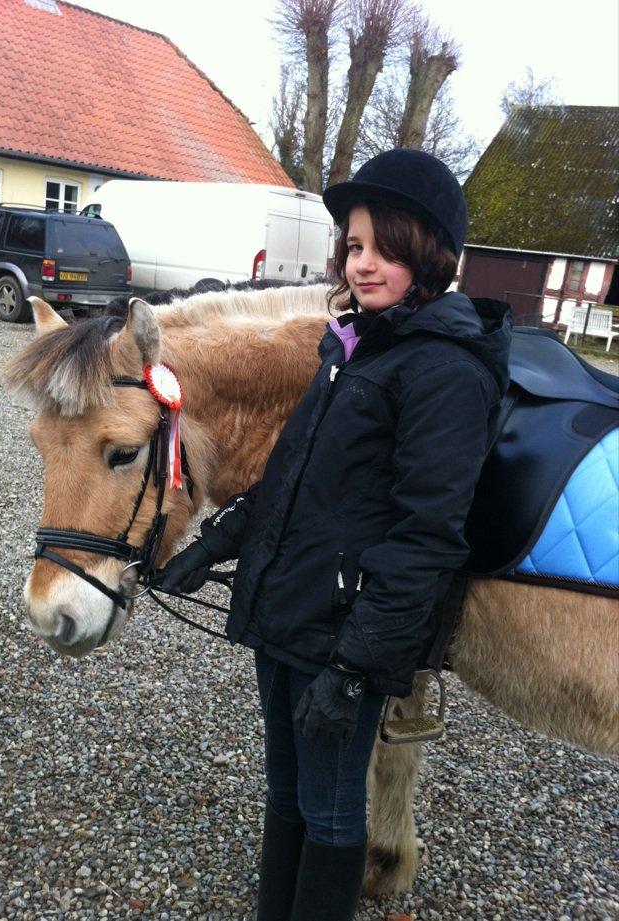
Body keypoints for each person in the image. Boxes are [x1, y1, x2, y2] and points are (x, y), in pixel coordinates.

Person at [156, 149, 512, 921]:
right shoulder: (351, 347)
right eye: (354, 246)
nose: (365, 264)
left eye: (386, 247)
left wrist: (355, 669)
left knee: (333, 810)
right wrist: (214, 544)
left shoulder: (445, 371)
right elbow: (290, 479)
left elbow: (425, 539)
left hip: (341, 636)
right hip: (289, 611)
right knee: (286, 792)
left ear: (431, 254)